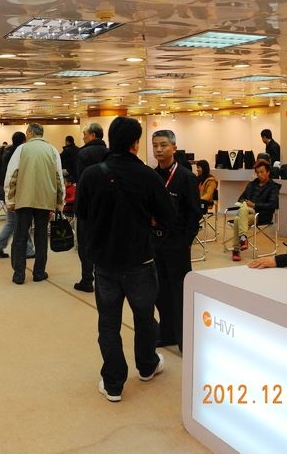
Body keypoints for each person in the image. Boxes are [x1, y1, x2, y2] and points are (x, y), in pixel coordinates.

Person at [76, 117, 176, 402]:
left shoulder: (92, 175)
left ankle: (113, 383)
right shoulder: (147, 176)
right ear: (135, 143)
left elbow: (81, 213)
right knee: (144, 317)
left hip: (104, 262)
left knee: (108, 323)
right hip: (140, 260)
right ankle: (147, 365)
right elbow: (168, 216)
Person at [151, 130, 201, 351]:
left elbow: (194, 213)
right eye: (155, 145)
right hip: (155, 242)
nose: (159, 150)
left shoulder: (185, 177)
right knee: (160, 292)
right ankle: (167, 333)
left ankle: (184, 339)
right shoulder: (152, 176)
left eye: (163, 145)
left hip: (177, 243)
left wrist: (186, 241)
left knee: (179, 291)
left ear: (174, 147)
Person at [4, 123, 64, 285]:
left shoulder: (21, 149)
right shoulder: (52, 150)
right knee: (41, 237)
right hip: (45, 200)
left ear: (30, 133)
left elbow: (12, 176)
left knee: (20, 236)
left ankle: (19, 274)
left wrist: (10, 200)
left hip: (24, 199)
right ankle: (39, 272)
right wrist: (59, 202)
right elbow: (59, 178)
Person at [73, 122, 109, 293]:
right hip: (106, 206)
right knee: (104, 241)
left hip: (88, 207)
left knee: (85, 244)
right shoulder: (109, 153)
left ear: (93, 135)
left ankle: (87, 279)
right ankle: (104, 278)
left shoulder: (83, 153)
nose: (83, 137)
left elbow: (81, 182)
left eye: (85, 134)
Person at [0, 131, 34, 259]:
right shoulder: (20, 154)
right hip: (16, 192)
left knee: (12, 222)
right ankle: (27, 250)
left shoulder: (6, 153)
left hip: (5, 190)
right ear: (24, 141)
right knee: (21, 222)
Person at [230, 159, 280, 261]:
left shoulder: (273, 187)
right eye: (257, 172)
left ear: (268, 172)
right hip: (248, 212)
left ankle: (236, 249)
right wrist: (245, 203)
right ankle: (243, 238)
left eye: (262, 172)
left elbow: (272, 205)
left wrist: (254, 205)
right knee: (240, 215)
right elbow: (241, 198)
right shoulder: (251, 184)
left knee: (238, 218)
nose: (259, 175)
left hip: (261, 215)